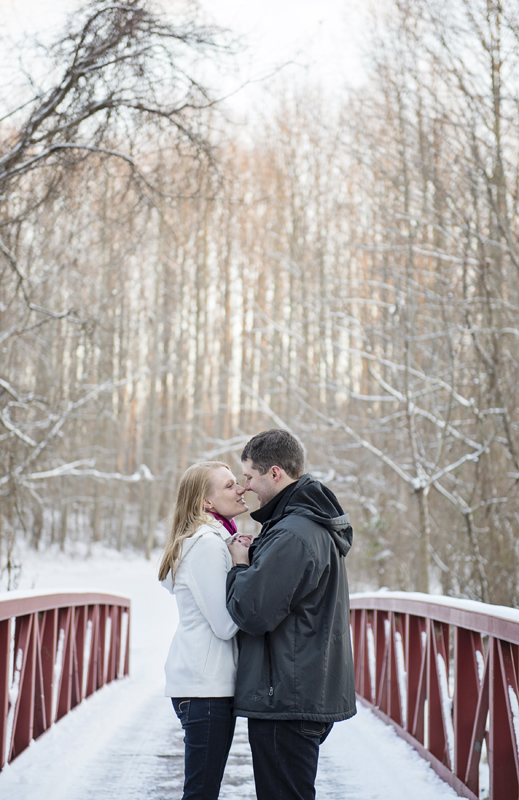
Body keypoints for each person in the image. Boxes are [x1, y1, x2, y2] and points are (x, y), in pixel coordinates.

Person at [226, 429, 356, 800]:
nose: (245, 486)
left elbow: (251, 612)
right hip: (300, 689)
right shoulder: (305, 524)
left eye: (249, 476)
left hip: (286, 696)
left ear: (275, 473)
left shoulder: (293, 534)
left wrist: (239, 566)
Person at [158, 461, 251, 800]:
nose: (240, 488)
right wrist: (242, 565)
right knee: (201, 792)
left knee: (202, 790)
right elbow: (226, 625)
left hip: (204, 685)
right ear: (206, 503)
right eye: (229, 486)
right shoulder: (207, 545)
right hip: (205, 689)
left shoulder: (215, 540)